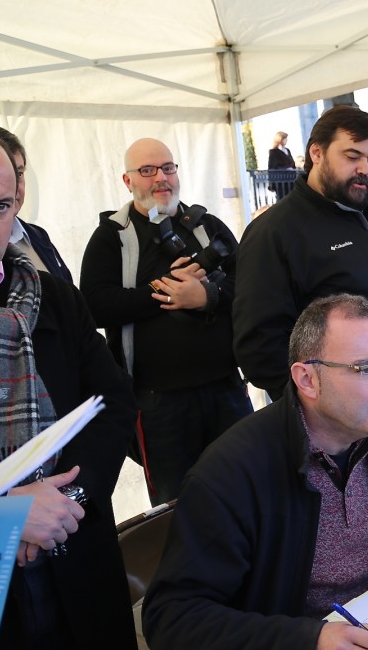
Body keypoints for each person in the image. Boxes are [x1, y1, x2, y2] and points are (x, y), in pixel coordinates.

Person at [144, 294, 368, 650]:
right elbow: (171, 618)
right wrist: (307, 645)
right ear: (307, 379)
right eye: (366, 369)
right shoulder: (231, 475)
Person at [0, 125, 139, 650]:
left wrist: (69, 501)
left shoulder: (53, 296)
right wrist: (2, 513)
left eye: (1, 206)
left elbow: (112, 402)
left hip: (71, 546)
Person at [234, 106, 368, 495]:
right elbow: (259, 346)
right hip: (349, 431)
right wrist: (327, 418)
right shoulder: (275, 233)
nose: (364, 169)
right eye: (352, 156)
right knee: (367, 530)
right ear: (316, 153)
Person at [80, 138, 252, 505]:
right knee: (178, 508)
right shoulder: (112, 236)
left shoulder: (207, 226)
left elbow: (251, 285)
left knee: (247, 491)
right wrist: (165, 290)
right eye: (147, 170)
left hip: (226, 390)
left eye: (168, 168)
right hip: (157, 404)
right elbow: (94, 306)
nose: (161, 178)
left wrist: (207, 296)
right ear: (128, 181)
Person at [0, 125, 73, 282]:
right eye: (2, 173)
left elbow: (68, 290)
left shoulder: (37, 235)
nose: (14, 186)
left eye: (19, 173)